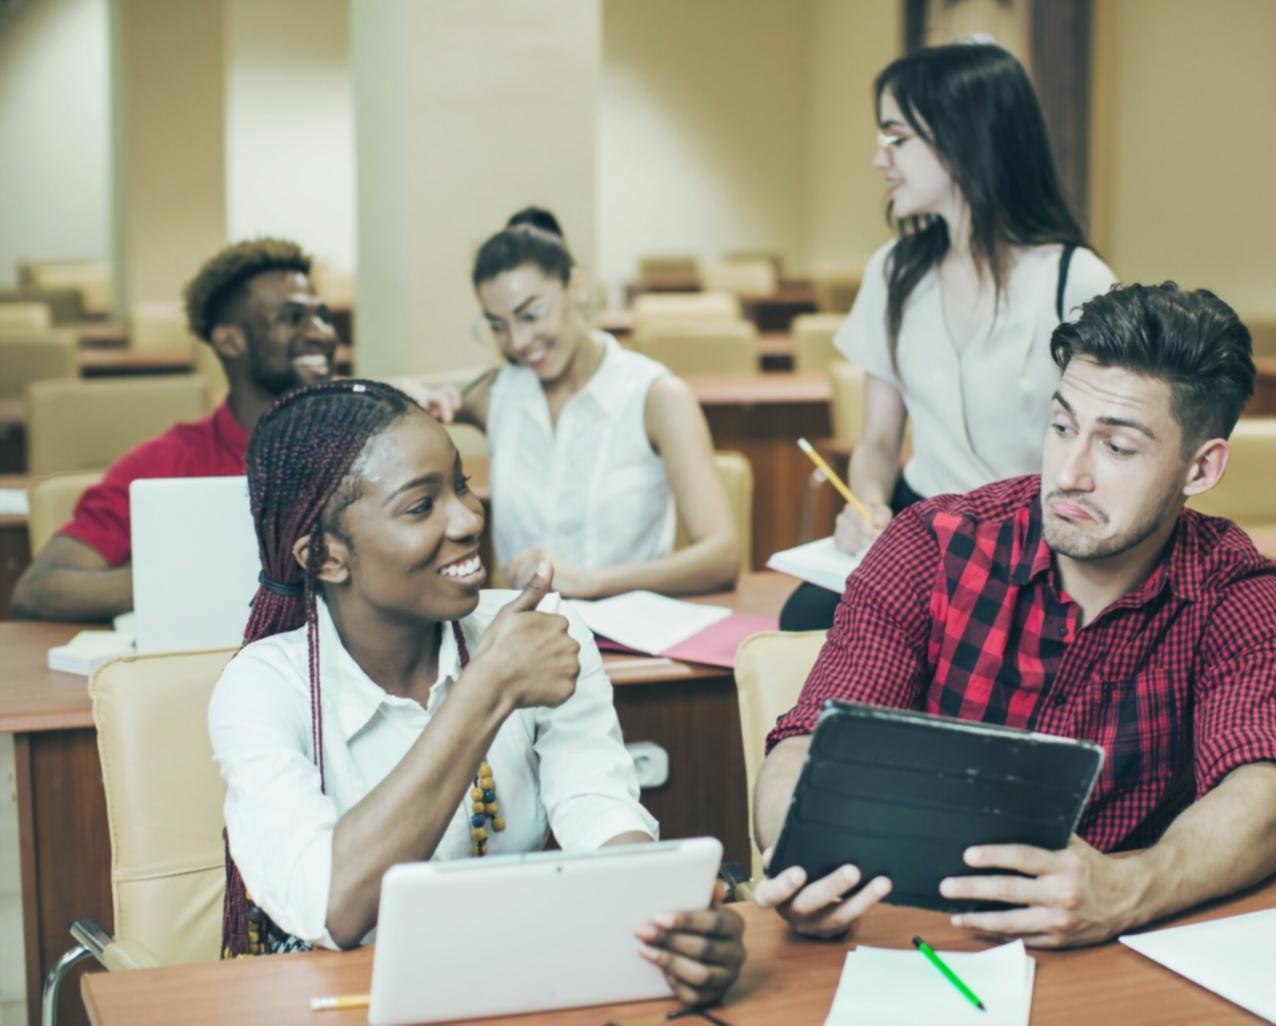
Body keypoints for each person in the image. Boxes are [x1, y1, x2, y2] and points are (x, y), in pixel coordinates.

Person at [754, 283, 1276, 948]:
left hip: (1119, 949)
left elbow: (1264, 788)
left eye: (1117, 447)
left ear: (1200, 468)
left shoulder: (1234, 590)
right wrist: (803, 855)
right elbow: (807, 744)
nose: (1070, 473)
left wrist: (1130, 889)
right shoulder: (931, 546)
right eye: (1061, 427)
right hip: (924, 941)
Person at [209, 380, 743, 1005]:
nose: (468, 519)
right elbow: (334, 907)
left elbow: (599, 810)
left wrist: (661, 915)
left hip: (505, 983)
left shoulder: (538, 630)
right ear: (325, 556)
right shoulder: (262, 687)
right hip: (336, 1000)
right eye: (420, 506)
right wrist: (486, 689)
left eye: (460, 485)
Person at [779, 42, 1117, 630]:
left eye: (896, 137)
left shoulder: (1075, 279)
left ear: (965, 138)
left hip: (1035, 540)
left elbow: (1109, 450)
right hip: (924, 522)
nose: (879, 159)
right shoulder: (894, 270)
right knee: (806, 618)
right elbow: (879, 440)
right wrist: (867, 506)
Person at [11, 238, 458, 622]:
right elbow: (39, 588)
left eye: (322, 316)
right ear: (230, 340)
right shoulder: (167, 462)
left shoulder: (374, 444)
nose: (321, 333)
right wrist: (188, 581)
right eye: (292, 318)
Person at [456, 210, 739, 599]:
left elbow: (722, 556)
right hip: (523, 628)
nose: (518, 342)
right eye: (498, 326)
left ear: (576, 287)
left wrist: (591, 582)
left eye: (531, 314)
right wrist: (420, 396)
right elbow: (400, 391)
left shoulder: (655, 396)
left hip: (626, 627)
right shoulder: (497, 393)